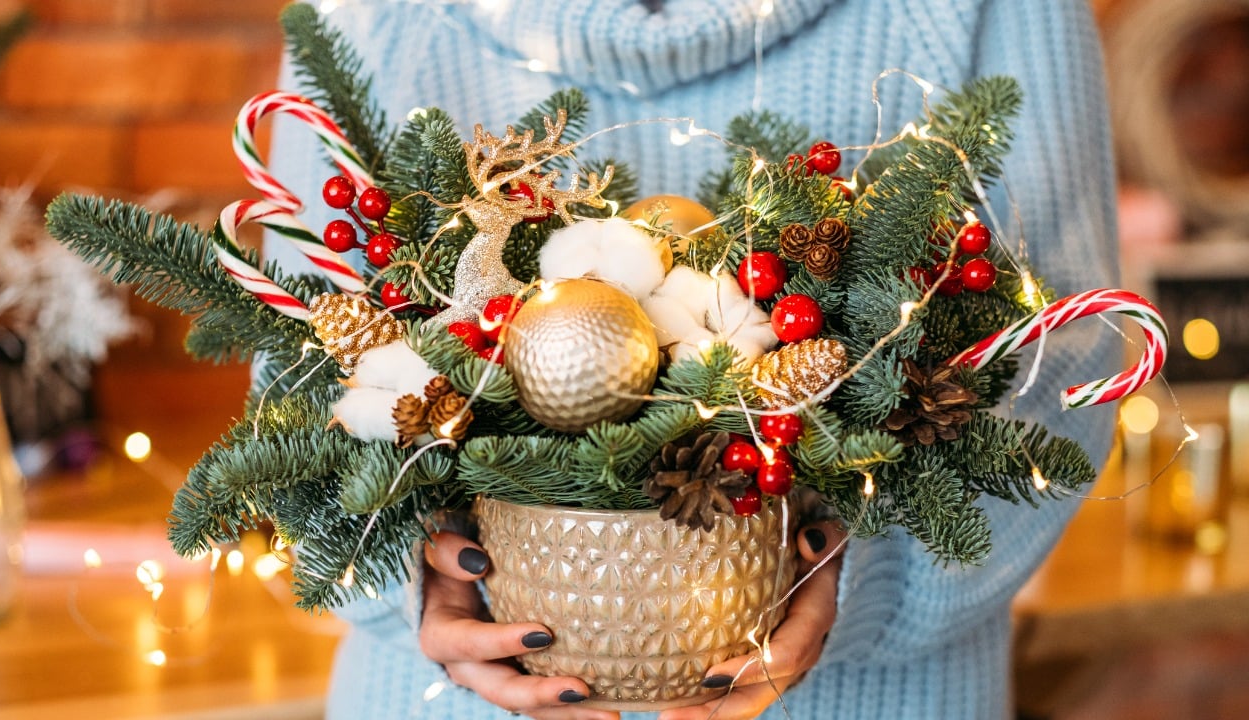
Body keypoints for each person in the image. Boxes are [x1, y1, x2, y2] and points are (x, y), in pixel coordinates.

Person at [266, 1, 1120, 717]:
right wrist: (407, 577)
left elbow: (1069, 355)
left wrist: (859, 572)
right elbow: (296, 372)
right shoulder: (374, 14)